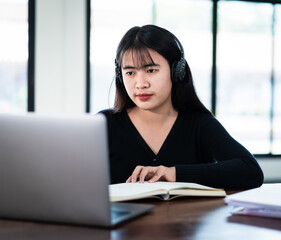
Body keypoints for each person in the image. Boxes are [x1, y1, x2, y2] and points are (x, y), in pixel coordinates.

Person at [100, 24, 264, 189]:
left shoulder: (198, 123)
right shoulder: (104, 124)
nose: (140, 84)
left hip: (186, 216)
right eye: (130, 73)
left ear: (177, 71)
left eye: (151, 70)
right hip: (121, 216)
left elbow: (250, 171)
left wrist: (174, 173)